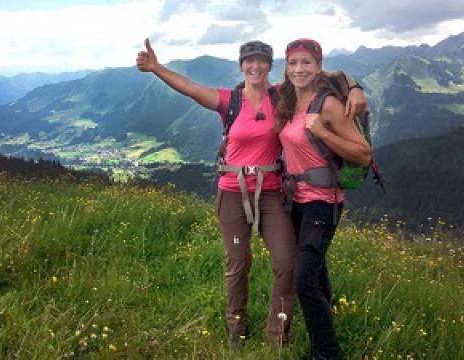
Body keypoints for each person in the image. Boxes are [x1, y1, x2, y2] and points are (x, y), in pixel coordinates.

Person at [136, 38, 367, 347]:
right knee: (238, 262)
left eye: (262, 61)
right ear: (241, 65)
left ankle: (277, 337)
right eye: (249, 61)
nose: (255, 66)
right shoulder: (229, 101)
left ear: (271, 67)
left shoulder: (281, 95)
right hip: (232, 192)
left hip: (272, 192)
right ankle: (237, 328)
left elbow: (323, 74)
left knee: (287, 264)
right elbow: (190, 88)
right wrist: (155, 68)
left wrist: (354, 87)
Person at [275, 38, 371, 359]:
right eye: (293, 63)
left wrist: (324, 132)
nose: (299, 69)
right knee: (314, 271)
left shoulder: (327, 104)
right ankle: (327, 322)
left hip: (322, 201)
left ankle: (327, 353)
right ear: (286, 68)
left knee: (303, 277)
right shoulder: (287, 99)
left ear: (318, 67)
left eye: (306, 63)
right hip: (294, 200)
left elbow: (364, 154)